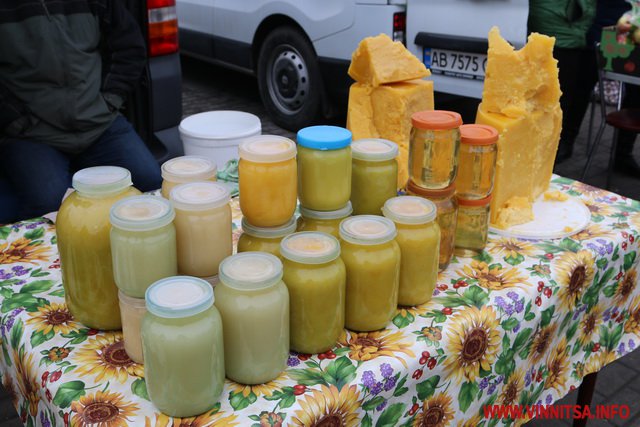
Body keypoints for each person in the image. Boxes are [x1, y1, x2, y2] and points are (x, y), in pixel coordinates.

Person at [0, 0, 162, 223]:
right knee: (48, 203)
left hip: (99, 122)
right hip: (33, 133)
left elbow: (129, 47)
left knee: (151, 180)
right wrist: (16, 121)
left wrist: (109, 101)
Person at [528, 0, 597, 163]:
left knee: (578, 92)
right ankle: (546, 146)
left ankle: (562, 142)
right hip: (555, 29)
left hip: (582, 27)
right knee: (554, 96)